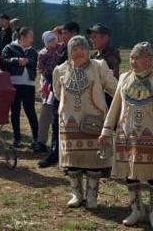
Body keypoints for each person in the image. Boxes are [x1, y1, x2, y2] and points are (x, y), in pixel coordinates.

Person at [100, 42, 153, 228]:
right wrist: (106, 130)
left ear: (148, 60)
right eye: (131, 57)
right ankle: (136, 210)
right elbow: (115, 106)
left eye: (137, 58)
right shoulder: (124, 78)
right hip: (127, 134)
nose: (133, 61)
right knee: (130, 173)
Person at [52, 35, 119, 209]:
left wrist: (125, 106)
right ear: (69, 52)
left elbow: (115, 89)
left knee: (93, 162)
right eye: (74, 49)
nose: (79, 52)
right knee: (72, 161)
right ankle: (76, 194)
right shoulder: (60, 70)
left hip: (94, 121)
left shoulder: (99, 66)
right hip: (69, 122)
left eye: (82, 48)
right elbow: (58, 94)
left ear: (87, 50)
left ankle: (91, 197)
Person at [38, 23, 79, 168]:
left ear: (73, 33)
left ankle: (70, 159)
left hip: (73, 94)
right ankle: (56, 154)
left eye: (65, 33)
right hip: (59, 91)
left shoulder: (78, 50)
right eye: (62, 33)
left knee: (71, 125)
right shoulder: (62, 49)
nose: (63, 36)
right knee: (57, 123)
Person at [1, 26, 40, 149]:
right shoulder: (9, 47)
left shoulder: (33, 51)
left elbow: (37, 64)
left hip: (29, 84)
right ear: (22, 37)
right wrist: (16, 60)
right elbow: (3, 61)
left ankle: (36, 138)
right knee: (15, 111)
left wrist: (28, 61)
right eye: (30, 37)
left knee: (31, 111)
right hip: (14, 83)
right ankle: (17, 138)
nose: (32, 39)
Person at [35, 30, 62, 155]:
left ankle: (56, 142)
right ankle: (41, 141)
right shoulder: (43, 53)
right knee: (47, 110)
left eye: (54, 39)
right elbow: (40, 68)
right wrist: (46, 74)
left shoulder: (60, 48)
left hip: (60, 80)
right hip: (48, 81)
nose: (54, 42)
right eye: (50, 41)